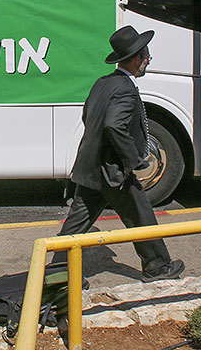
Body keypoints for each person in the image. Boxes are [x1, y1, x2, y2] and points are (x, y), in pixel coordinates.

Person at [51, 25, 184, 282]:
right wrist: (132, 159)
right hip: (113, 171)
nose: (148, 61)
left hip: (91, 167)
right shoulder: (125, 88)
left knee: (77, 223)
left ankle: (58, 273)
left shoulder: (103, 83)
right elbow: (113, 125)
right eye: (147, 57)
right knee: (142, 215)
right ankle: (157, 267)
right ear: (136, 59)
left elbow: (88, 116)